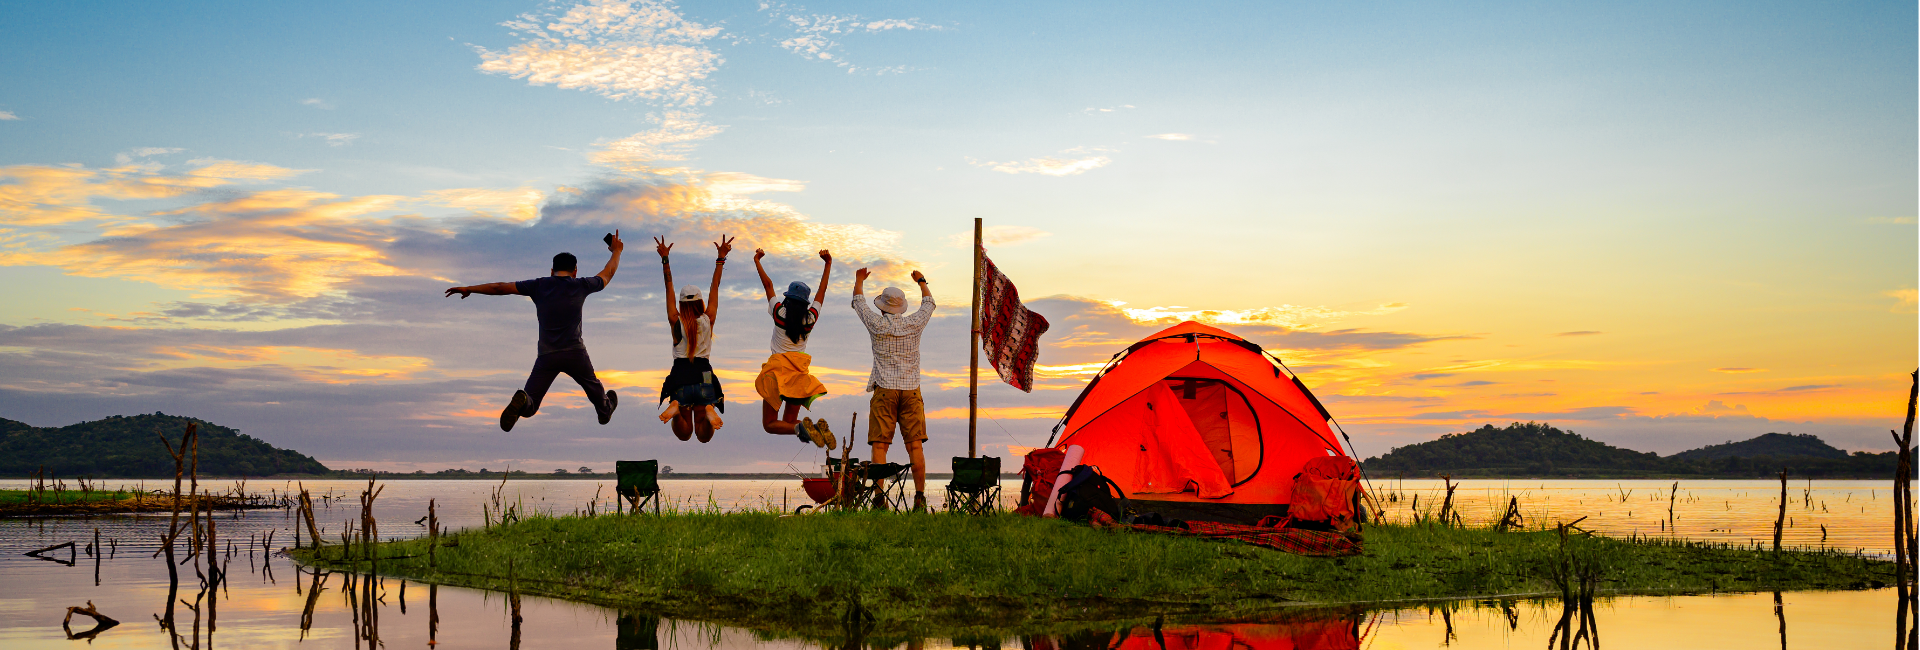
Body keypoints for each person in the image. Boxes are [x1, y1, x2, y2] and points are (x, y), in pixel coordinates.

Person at [445, 231, 623, 432]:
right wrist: (616, 251)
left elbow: (499, 288)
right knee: (594, 387)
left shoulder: (538, 285)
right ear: (575, 271)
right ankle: (605, 409)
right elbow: (608, 273)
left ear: (551, 271)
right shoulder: (581, 285)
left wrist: (469, 288)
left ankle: (524, 400)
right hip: (575, 353)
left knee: (531, 405)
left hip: (547, 356)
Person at [850, 267, 935, 511]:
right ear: (901, 308)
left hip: (885, 390)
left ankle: (880, 500)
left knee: (880, 445)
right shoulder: (914, 324)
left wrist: (859, 279)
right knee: (915, 445)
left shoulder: (876, 324)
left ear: (882, 307)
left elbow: (858, 302)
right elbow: (929, 304)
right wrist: (921, 280)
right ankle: (919, 499)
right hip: (911, 391)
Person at [751, 247, 836, 449]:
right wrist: (828, 264)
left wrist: (757, 261)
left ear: (787, 299)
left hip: (776, 374)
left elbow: (768, 285)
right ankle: (811, 428)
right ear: (806, 303)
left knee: (770, 424)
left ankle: (802, 429)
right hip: (798, 376)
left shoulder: (779, 313)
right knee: (789, 420)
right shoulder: (810, 319)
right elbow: (822, 291)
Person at [655, 235, 732, 443]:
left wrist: (665, 259)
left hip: (680, 374)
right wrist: (721, 258)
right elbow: (715, 287)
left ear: (681, 304)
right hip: (704, 374)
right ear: (700, 303)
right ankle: (708, 409)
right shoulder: (709, 319)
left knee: (684, 434)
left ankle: (677, 410)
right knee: (703, 436)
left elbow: (668, 287)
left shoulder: (675, 320)